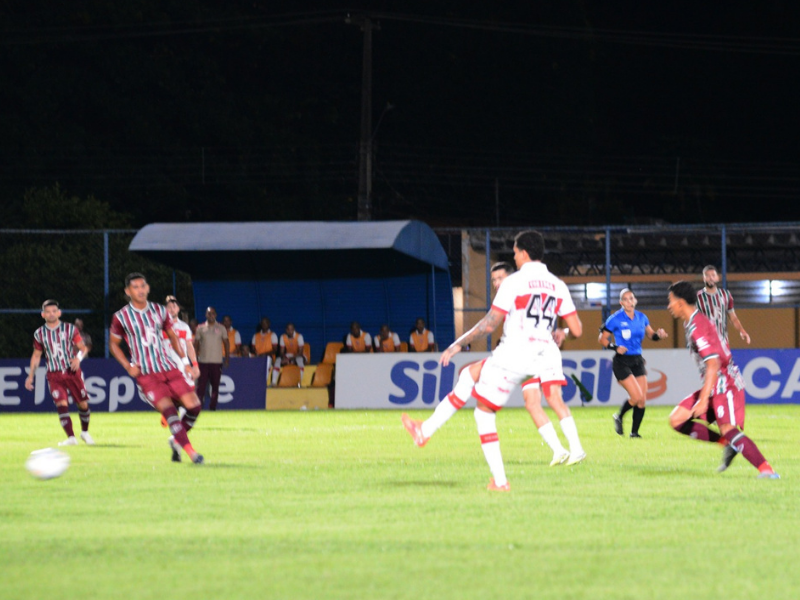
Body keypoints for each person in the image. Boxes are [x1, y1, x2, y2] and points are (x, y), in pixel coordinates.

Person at [407, 231, 582, 491]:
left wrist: (458, 343)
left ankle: (496, 478)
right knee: (473, 379)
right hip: (543, 356)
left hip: (514, 355)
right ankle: (427, 431)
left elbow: (489, 324)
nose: (513, 256)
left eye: (514, 252)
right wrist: (559, 331)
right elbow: (576, 330)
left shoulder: (514, 282)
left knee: (481, 408)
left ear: (523, 253)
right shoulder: (558, 285)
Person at [666, 281, 778, 479]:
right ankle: (728, 444)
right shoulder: (691, 322)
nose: (669, 306)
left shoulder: (697, 326)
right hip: (713, 382)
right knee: (677, 419)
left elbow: (714, 364)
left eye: (671, 301)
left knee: (727, 428)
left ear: (681, 303)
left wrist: (703, 399)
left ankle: (767, 470)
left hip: (724, 381)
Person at [108, 273, 203, 464]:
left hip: (169, 368)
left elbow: (173, 336)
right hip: (147, 375)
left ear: (148, 288)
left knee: (195, 407)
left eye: (143, 286)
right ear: (128, 291)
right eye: (135, 287)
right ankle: (192, 453)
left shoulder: (160, 310)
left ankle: (176, 441)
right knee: (170, 413)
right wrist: (128, 366)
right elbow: (113, 345)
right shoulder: (121, 317)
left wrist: (185, 362)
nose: (140, 290)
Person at [601, 288, 669, 438]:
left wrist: (659, 335)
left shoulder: (642, 317)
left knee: (642, 400)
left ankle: (634, 433)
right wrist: (614, 347)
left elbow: (652, 335)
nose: (629, 302)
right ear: (621, 303)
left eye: (631, 298)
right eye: (625, 299)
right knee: (637, 396)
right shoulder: (615, 319)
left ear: (635, 300)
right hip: (622, 361)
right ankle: (619, 416)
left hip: (637, 360)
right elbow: (602, 338)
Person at [25, 300, 94, 446]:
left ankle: (85, 432)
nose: (51, 314)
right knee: (61, 404)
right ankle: (71, 438)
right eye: (48, 312)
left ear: (59, 312)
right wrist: (31, 376)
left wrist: (78, 359)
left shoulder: (69, 329)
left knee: (83, 404)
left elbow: (83, 348)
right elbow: (36, 355)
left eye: (54, 311)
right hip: (54, 374)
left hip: (71, 372)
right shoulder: (39, 333)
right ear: (43, 314)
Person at [697, 265, 751, 345]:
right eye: (707, 275)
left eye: (713, 275)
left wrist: (741, 330)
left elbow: (733, 318)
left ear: (717, 278)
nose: (710, 278)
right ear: (703, 278)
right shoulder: (698, 297)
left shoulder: (726, 295)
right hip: (705, 342)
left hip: (722, 341)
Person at [194, 306, 229, 410]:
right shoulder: (200, 328)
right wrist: (195, 358)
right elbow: (196, 344)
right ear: (206, 315)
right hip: (203, 362)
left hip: (216, 361)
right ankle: (199, 408)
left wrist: (227, 358)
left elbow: (226, 343)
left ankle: (212, 408)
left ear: (216, 315)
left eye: (213, 313)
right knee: (201, 387)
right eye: (209, 313)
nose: (211, 315)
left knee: (215, 387)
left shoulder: (221, 328)